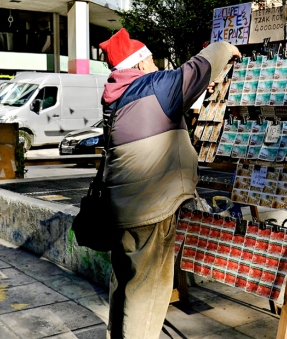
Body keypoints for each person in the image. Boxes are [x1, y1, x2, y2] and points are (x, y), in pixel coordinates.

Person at [99, 28, 240, 339]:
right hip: (151, 207)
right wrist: (226, 45)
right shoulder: (153, 85)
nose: (156, 67)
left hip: (121, 204)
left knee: (123, 280)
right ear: (137, 65)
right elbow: (201, 66)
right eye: (151, 61)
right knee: (147, 290)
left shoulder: (116, 94)